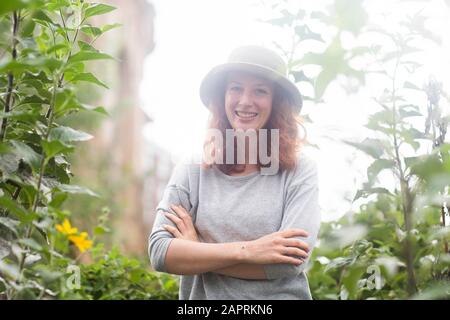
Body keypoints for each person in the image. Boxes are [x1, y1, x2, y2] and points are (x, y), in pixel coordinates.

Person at [148, 45, 321, 300]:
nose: (245, 101)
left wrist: (198, 251)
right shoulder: (193, 169)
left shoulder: (299, 170)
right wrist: (248, 251)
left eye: (260, 91)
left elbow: (289, 261)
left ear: (276, 103)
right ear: (223, 96)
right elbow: (161, 252)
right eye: (236, 88)